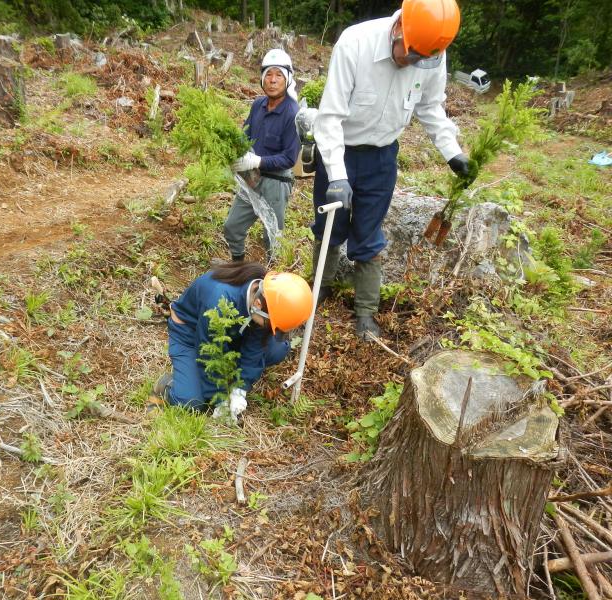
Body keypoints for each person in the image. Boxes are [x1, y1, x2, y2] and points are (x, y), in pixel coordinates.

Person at [311, 0, 473, 340]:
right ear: (399, 28)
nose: (412, 62)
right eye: (410, 53)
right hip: (339, 149)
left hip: (381, 158)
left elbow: (430, 107)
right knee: (330, 225)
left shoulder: (432, 55)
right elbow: (329, 117)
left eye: (421, 59)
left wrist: (452, 152)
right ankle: (319, 288)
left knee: (368, 235)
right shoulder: (355, 43)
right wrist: (337, 175)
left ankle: (366, 312)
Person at [149, 262, 313, 418]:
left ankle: (228, 374)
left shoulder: (264, 297)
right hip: (191, 335)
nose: (271, 331)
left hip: (232, 332)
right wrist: (220, 401)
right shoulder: (219, 302)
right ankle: (167, 385)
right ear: (257, 304)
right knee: (191, 402)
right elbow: (208, 353)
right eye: (271, 325)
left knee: (277, 349)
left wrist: (241, 388)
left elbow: (256, 345)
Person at [225, 49, 300, 262]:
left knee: (272, 236)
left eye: (279, 75)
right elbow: (245, 133)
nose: (273, 80)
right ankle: (238, 266)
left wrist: (258, 160)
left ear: (288, 79)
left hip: (276, 184)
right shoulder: (258, 105)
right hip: (252, 178)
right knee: (233, 226)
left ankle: (273, 279)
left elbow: (289, 158)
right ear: (262, 78)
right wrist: (234, 151)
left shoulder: (292, 113)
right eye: (268, 74)